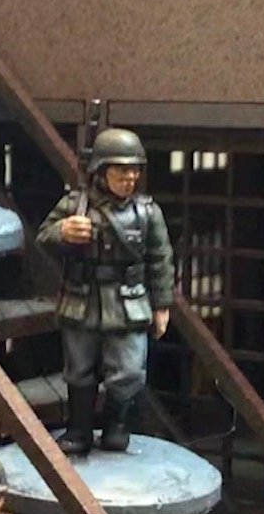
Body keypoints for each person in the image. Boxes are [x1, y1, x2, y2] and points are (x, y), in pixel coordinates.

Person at [35, 127, 175, 455]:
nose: (129, 178)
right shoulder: (75, 205)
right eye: (121, 171)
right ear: (101, 170)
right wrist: (63, 231)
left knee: (129, 369)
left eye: (134, 171)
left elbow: (161, 259)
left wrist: (162, 305)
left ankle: (117, 426)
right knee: (79, 369)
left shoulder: (147, 213)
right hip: (82, 297)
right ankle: (79, 430)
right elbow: (43, 237)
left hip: (129, 300)